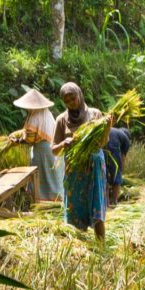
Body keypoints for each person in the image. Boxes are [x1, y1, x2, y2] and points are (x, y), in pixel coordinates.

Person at [51, 82, 110, 240]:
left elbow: (102, 143)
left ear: (80, 94)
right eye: (67, 100)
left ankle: (100, 244)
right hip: (74, 170)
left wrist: (108, 126)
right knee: (75, 207)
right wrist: (64, 143)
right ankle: (79, 243)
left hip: (93, 166)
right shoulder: (61, 120)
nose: (72, 102)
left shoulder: (95, 114)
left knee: (96, 204)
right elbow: (54, 149)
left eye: (73, 98)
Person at [10, 88, 64, 201]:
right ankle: (56, 200)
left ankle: (41, 200)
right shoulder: (47, 114)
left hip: (42, 151)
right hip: (54, 148)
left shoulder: (34, 117)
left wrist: (17, 141)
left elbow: (29, 139)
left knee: (41, 177)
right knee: (53, 177)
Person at [104, 127, 131, 206]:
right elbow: (122, 158)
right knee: (116, 176)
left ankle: (106, 203)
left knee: (105, 175)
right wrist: (121, 172)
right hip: (113, 147)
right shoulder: (126, 139)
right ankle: (114, 201)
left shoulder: (114, 131)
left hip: (103, 145)